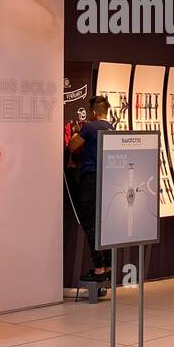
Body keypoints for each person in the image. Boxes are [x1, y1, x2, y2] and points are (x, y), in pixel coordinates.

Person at [67, 95, 115, 280]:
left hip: (91, 179)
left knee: (90, 223)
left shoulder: (90, 127)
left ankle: (98, 268)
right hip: (107, 179)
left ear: (94, 111)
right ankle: (108, 265)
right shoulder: (111, 127)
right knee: (105, 223)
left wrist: (76, 132)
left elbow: (72, 146)